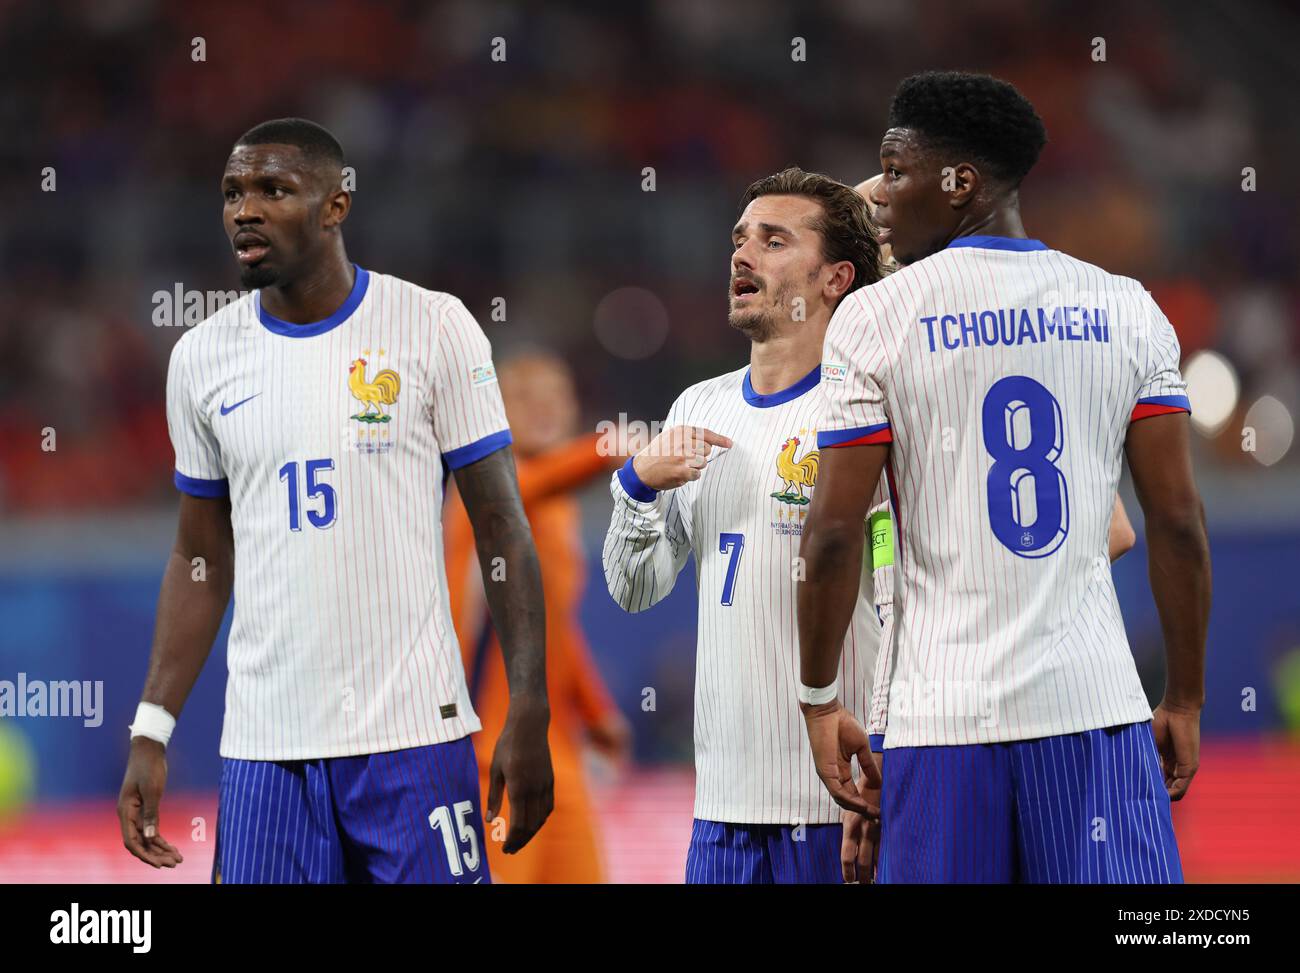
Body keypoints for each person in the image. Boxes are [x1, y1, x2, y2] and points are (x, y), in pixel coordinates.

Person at [116, 118, 554, 883]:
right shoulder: (199, 360)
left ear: (335, 206)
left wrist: (527, 703)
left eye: (273, 190)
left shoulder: (432, 328)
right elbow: (199, 557)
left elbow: (502, 528)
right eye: (232, 193)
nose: (244, 210)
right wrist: (152, 726)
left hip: (414, 735)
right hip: (265, 751)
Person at [799, 73, 1210, 883]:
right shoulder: (1126, 306)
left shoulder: (877, 317)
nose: (877, 195)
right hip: (1096, 712)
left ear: (961, 184)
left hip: (941, 720)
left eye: (895, 169)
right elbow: (1177, 523)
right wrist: (1189, 698)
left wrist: (819, 699)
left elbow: (837, 530)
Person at [604, 167, 885, 883]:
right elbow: (634, 591)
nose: (742, 253)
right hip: (722, 807)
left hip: (836, 802)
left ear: (835, 278)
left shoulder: (865, 408)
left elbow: (903, 601)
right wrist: (635, 487)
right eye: (739, 237)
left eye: (773, 239)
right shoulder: (699, 405)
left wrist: (890, 756)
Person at [444, 350, 631, 883]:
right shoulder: (478, 498)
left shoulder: (560, 507)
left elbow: (556, 631)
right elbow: (523, 489)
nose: (544, 410)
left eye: (555, 397)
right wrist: (610, 448)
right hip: (489, 751)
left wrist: (594, 712)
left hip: (556, 749)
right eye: (526, 399)